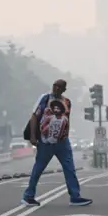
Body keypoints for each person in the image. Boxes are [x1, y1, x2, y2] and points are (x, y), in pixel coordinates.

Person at [22, 79, 92, 207]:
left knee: (70, 168)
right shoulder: (44, 99)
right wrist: (33, 137)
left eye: (60, 87)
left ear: (64, 89)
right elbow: (34, 117)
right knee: (38, 168)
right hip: (45, 141)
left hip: (62, 142)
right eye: (55, 86)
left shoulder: (67, 102)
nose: (57, 88)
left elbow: (67, 119)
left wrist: (66, 135)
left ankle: (75, 196)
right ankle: (28, 196)